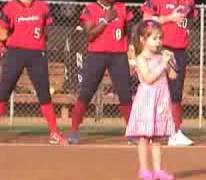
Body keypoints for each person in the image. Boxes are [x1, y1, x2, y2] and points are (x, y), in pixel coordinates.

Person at [0, 0, 67, 145]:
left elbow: (46, 30)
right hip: (15, 53)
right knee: (3, 92)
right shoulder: (10, 6)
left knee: (44, 93)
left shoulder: (42, 6)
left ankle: (54, 132)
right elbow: (2, 31)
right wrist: (4, 43)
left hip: (37, 54)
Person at [68, 0, 133, 144]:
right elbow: (90, 35)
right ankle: (73, 130)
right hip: (97, 55)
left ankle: (132, 131)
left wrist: (129, 46)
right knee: (86, 93)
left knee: (125, 94)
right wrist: (105, 20)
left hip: (118, 55)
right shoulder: (90, 9)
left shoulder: (121, 7)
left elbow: (128, 29)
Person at [141, 0, 197, 146]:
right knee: (153, 91)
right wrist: (168, 18)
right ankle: (147, 130)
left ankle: (174, 132)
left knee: (175, 92)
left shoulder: (189, 2)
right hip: (160, 49)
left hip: (179, 51)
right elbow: (145, 21)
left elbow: (191, 18)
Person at [126, 20, 176, 180]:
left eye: (160, 38)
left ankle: (158, 170)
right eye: (154, 38)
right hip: (147, 100)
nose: (158, 42)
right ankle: (144, 170)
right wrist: (163, 64)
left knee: (157, 138)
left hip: (161, 100)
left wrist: (171, 62)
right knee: (144, 137)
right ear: (142, 39)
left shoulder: (161, 56)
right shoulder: (141, 58)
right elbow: (148, 78)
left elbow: (173, 76)